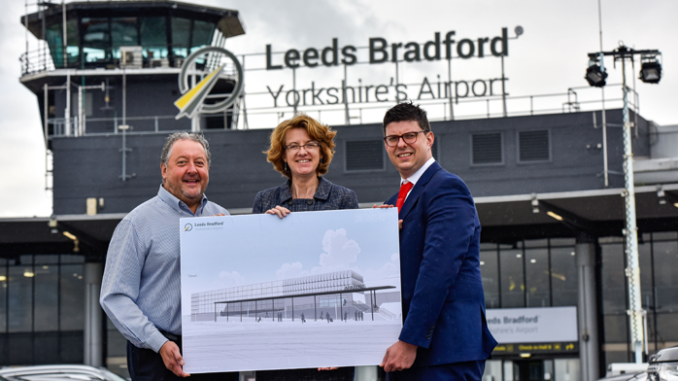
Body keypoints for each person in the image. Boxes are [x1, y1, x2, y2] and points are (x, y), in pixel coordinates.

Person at [100, 132, 239, 381]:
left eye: (199, 162)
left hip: (215, 352)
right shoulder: (137, 223)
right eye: (182, 162)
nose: (192, 169)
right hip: (158, 356)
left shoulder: (223, 218)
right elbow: (115, 297)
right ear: (164, 170)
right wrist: (159, 343)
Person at [377, 102, 497, 380]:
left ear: (428, 138)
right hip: (401, 352)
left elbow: (438, 270)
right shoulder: (390, 206)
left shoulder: (447, 188)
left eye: (410, 136)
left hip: (441, 351)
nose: (401, 144)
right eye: (393, 138)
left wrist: (411, 340)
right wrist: (376, 238)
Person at [252, 114, 358, 381]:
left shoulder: (344, 198)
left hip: (331, 343)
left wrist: (343, 346)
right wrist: (264, 231)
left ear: (321, 152)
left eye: (310, 144)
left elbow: (355, 271)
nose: (302, 151)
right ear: (283, 155)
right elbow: (255, 269)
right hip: (278, 341)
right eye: (293, 146)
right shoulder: (265, 200)